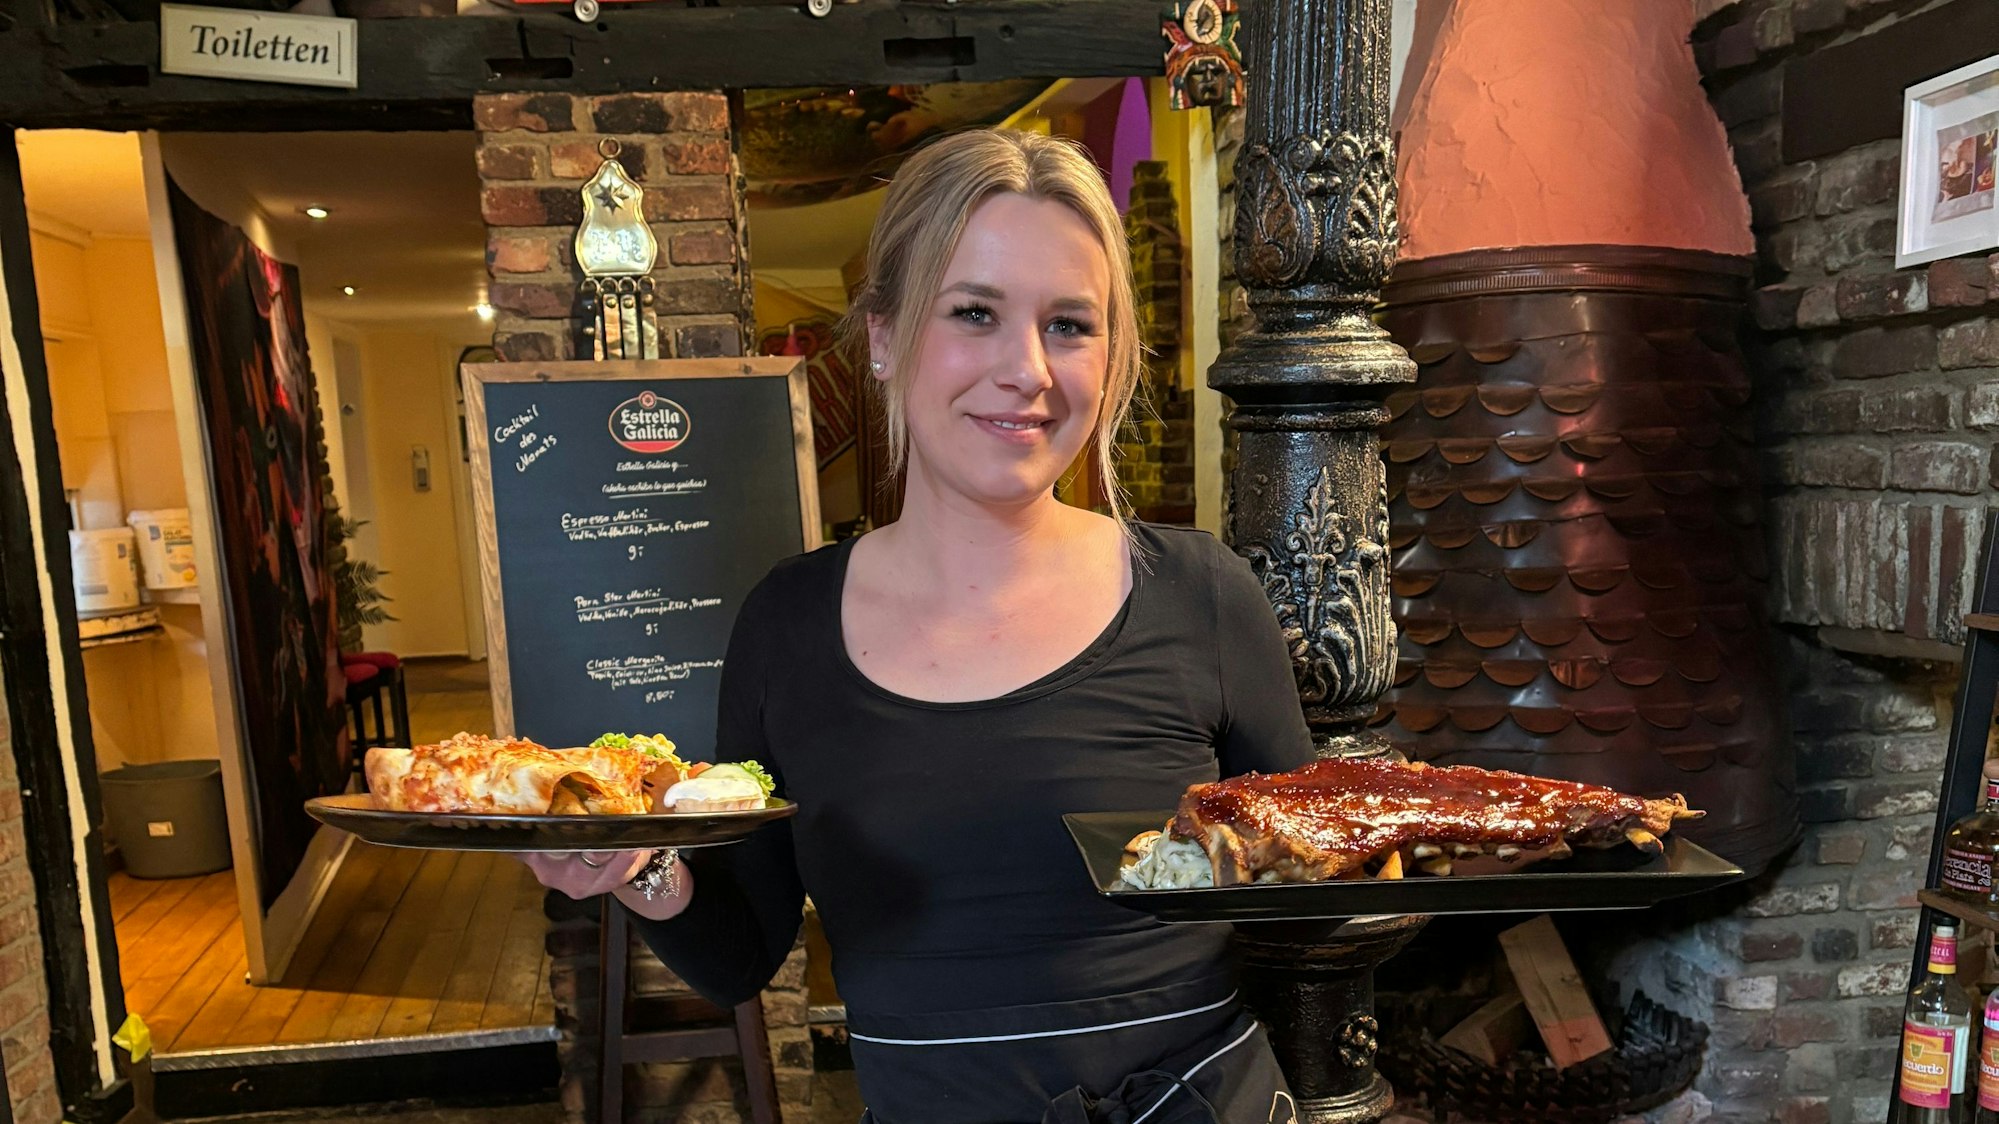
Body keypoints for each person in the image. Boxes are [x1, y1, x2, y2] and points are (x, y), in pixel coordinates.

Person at [524, 127, 1315, 1124]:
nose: (1026, 367)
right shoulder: (788, 624)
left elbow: (1306, 895)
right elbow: (738, 951)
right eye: (974, 312)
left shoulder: (1200, 592)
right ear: (886, 335)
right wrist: (637, 862)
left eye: (1070, 323)